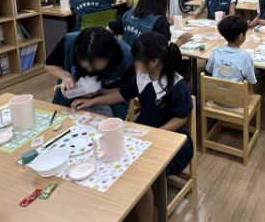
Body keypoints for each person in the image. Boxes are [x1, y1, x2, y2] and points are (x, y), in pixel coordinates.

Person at [71, 31, 193, 222]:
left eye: (137, 60)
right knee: (112, 157)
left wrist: (156, 134)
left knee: (139, 174)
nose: (134, 64)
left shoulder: (176, 85)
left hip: (173, 141)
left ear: (153, 62)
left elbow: (181, 118)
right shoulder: (141, 77)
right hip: (143, 132)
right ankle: (121, 204)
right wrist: (91, 102)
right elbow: (121, 94)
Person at [46, 27, 132, 119]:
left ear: (110, 57)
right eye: (85, 67)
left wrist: (98, 93)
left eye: (96, 67)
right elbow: (49, 64)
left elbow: (126, 91)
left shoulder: (127, 58)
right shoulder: (70, 43)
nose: (90, 71)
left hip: (108, 102)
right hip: (70, 100)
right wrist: (66, 76)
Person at [108, 0, 192, 47]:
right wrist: (179, 42)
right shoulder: (160, 22)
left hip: (128, 62)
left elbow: (108, 30)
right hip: (147, 65)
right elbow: (165, 54)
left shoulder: (128, 14)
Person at [206, 15, 257, 105]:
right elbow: (251, 80)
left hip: (216, 98)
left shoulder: (216, 51)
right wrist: (250, 93)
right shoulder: (245, 56)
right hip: (236, 101)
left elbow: (209, 70)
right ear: (241, 36)